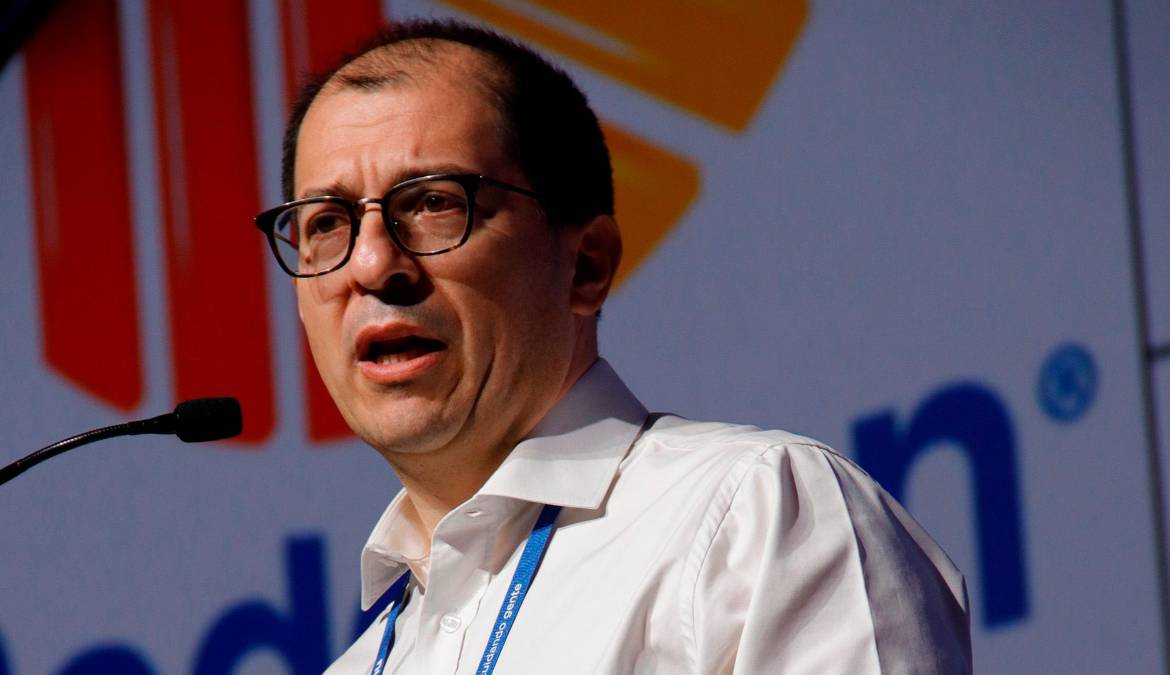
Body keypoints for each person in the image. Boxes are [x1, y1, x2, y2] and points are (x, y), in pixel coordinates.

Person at [254, 18, 971, 674]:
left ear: (587, 265)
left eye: (434, 203)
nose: (371, 264)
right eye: (326, 223)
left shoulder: (756, 516)